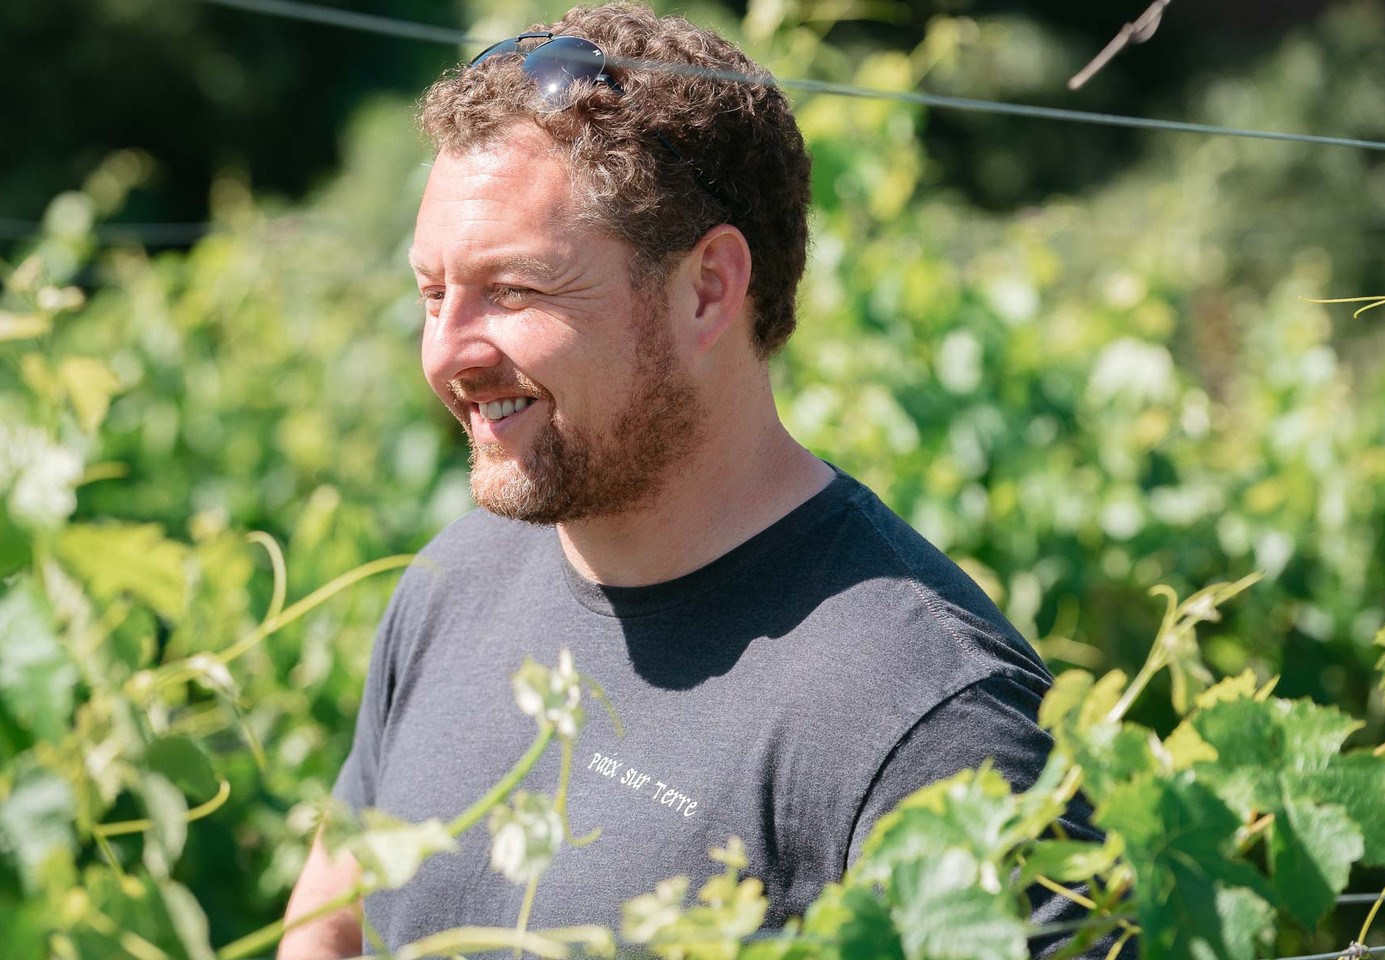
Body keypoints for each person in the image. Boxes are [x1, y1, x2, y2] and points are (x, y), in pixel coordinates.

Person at [279, 4, 1110, 957]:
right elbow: (325, 930)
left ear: (709, 288)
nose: (448, 354)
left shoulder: (930, 722)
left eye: (512, 290)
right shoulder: (450, 586)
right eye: (433, 294)